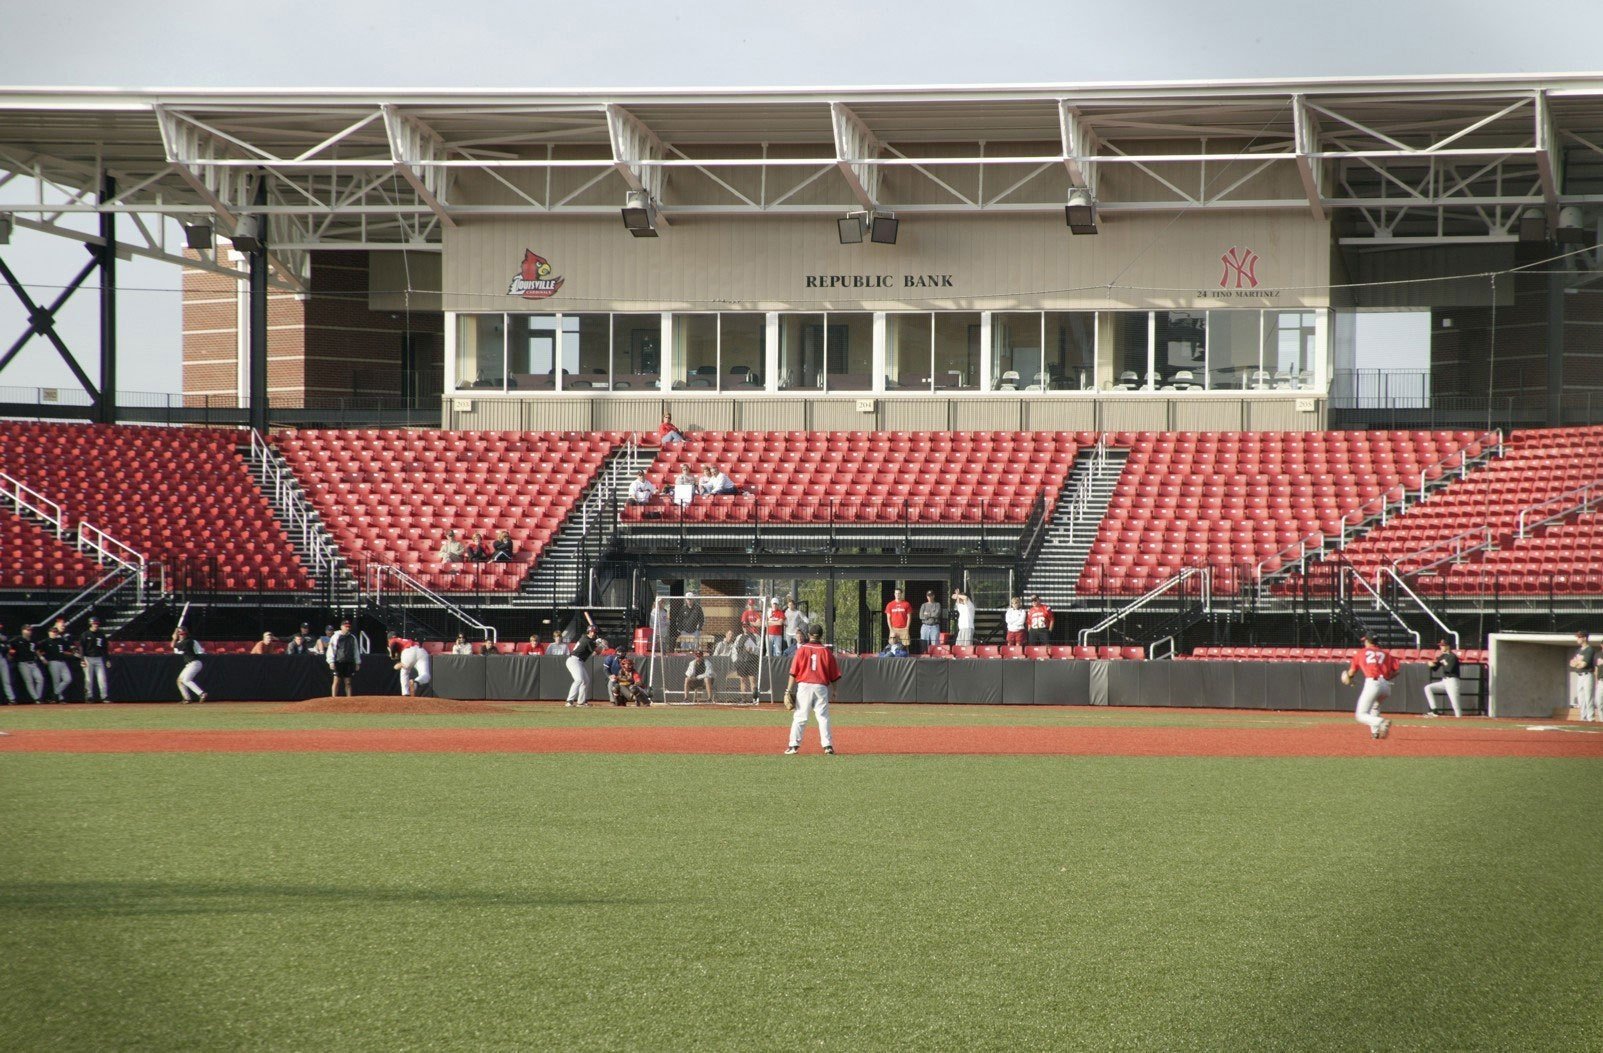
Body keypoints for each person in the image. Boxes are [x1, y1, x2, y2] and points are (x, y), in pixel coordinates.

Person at [785, 626, 841, 756]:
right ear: (821, 636)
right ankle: (827, 746)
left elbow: (793, 672)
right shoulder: (826, 652)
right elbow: (834, 676)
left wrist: (788, 690)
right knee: (823, 717)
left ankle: (793, 746)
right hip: (821, 687)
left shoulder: (802, 650)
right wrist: (835, 691)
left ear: (809, 635)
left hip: (804, 686)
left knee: (800, 716)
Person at [1343, 634, 1398, 740]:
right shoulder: (1385, 653)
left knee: (1360, 715)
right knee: (1375, 707)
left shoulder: (1362, 652)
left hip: (1373, 683)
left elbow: (1352, 672)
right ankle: (1375, 733)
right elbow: (1397, 671)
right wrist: (1386, 679)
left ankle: (1381, 722)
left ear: (1368, 641)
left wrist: (1348, 678)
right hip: (1386, 685)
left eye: (1365, 641)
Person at [1424, 639, 1463, 718]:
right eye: (1440, 645)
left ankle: (1459, 719)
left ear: (1448, 646)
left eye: (1443, 645)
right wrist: (1432, 665)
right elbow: (1435, 668)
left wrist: (1443, 662)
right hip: (1445, 681)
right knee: (1428, 688)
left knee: (1455, 704)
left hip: (1453, 681)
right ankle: (1434, 711)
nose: (1441, 647)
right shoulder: (1443, 656)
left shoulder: (1453, 656)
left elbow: (1449, 669)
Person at [77, 616, 112, 703]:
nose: (95, 625)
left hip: (98, 658)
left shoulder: (101, 634)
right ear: (90, 624)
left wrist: (107, 659)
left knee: (102, 678)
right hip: (88, 658)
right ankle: (89, 696)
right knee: (88, 678)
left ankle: (104, 696)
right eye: (94, 623)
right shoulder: (85, 634)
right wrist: (82, 659)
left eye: (96, 623)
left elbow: (104, 648)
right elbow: (81, 647)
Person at [565, 624, 599, 706]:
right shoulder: (586, 640)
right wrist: (600, 644)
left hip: (578, 661)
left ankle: (581, 702)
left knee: (586, 681)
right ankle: (569, 701)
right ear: (588, 631)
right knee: (579, 680)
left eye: (594, 632)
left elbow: (593, 645)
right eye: (591, 632)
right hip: (574, 660)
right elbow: (595, 652)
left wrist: (597, 643)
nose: (593, 633)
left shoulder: (587, 639)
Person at [38, 625, 74, 702]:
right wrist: (42, 658)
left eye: (55, 632)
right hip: (53, 662)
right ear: (49, 633)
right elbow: (37, 650)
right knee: (56, 681)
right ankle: (60, 698)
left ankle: (55, 694)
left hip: (62, 661)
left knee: (68, 679)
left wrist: (71, 653)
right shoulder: (46, 641)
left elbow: (67, 650)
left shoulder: (61, 640)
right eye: (52, 632)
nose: (54, 633)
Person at [326, 619, 360, 697]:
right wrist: (331, 661)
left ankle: (349, 699)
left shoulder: (352, 637)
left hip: (349, 662)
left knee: (348, 682)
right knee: (336, 681)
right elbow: (331, 649)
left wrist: (357, 662)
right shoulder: (335, 637)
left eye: (348, 627)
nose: (347, 628)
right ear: (341, 627)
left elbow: (356, 650)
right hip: (338, 661)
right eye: (346, 626)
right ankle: (334, 698)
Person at [173, 627, 207, 703]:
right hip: (190, 664)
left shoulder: (188, 641)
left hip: (194, 663)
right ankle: (187, 699)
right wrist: (175, 636)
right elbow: (176, 648)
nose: (180, 635)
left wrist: (174, 638)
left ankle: (202, 694)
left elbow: (173, 645)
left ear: (185, 633)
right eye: (179, 633)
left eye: (182, 633)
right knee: (180, 681)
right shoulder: (181, 642)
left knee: (186, 680)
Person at [10, 626, 44, 702]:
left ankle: (38, 697)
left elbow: (37, 650)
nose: (29, 631)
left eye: (30, 630)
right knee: (29, 681)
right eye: (27, 630)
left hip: (33, 662)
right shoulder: (17, 639)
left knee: (40, 679)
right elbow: (11, 647)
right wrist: (11, 655)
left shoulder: (33, 640)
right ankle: (36, 698)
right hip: (23, 663)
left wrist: (42, 658)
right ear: (23, 630)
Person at [1571, 631, 1599, 721]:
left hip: (1587, 675)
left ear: (1585, 638)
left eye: (1579, 637)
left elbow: (1584, 664)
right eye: (1577, 637)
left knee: (1588, 697)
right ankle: (1583, 718)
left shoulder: (1589, 650)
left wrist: (1577, 663)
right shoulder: (1578, 650)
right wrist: (1577, 663)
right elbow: (1571, 663)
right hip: (1579, 675)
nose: (1578, 639)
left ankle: (1591, 718)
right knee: (1581, 698)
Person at [733, 625, 762, 698]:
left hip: (752, 661)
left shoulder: (756, 636)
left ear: (750, 627)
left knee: (752, 680)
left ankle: (755, 699)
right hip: (741, 661)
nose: (745, 628)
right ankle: (743, 699)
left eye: (747, 626)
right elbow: (734, 650)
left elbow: (760, 650)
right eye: (743, 626)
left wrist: (752, 649)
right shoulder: (739, 637)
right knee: (742, 680)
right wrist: (735, 660)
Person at [0, 623, 16, 704]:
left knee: (6, 680)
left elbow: (7, 646)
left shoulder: (3, 637)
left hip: (2, 659)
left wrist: (9, 652)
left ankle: (11, 699)